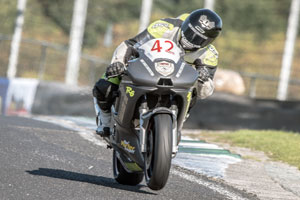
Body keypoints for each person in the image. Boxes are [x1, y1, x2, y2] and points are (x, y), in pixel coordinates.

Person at [93, 8, 222, 137]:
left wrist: (203, 80)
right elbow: (130, 44)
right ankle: (105, 121)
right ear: (184, 24)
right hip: (147, 67)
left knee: (193, 93)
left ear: (208, 42)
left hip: (178, 82)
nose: (191, 40)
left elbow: (205, 92)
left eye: (199, 39)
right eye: (190, 32)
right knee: (105, 85)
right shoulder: (164, 27)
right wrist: (118, 63)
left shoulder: (209, 54)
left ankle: (176, 127)